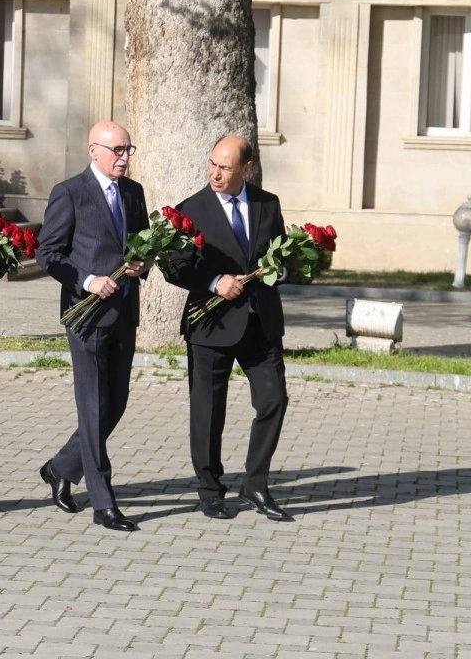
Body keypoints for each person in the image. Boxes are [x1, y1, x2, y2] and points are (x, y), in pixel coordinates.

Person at [164, 135, 293, 522]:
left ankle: (255, 484)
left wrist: (280, 269)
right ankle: (210, 490)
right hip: (211, 324)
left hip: (260, 323)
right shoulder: (191, 210)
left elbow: (281, 256)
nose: (215, 173)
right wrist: (213, 281)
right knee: (207, 413)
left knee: (273, 401)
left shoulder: (268, 204)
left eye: (225, 167)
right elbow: (174, 266)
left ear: (246, 169)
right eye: (212, 164)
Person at [35, 121, 150, 532]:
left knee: (114, 404)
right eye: (117, 150)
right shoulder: (70, 193)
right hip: (86, 315)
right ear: (93, 150)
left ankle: (60, 467)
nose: (124, 157)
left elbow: (143, 246)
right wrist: (86, 281)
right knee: (93, 405)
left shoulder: (133, 193)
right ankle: (104, 503)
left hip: (124, 311)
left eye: (128, 149)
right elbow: (48, 253)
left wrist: (141, 265)